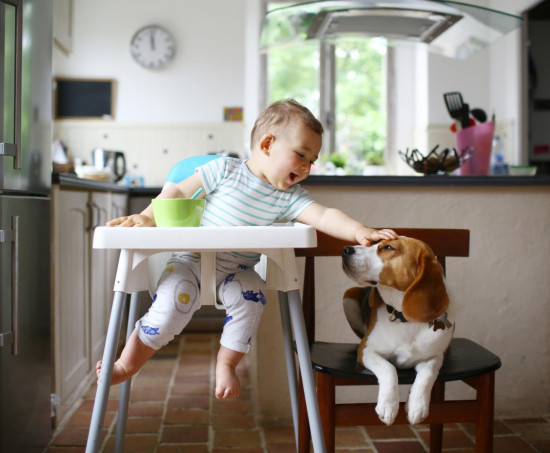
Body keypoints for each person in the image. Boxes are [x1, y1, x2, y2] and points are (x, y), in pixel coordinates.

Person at [98, 99, 397, 399]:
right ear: (267, 144)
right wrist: (148, 217)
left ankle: (227, 362)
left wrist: (361, 231)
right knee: (168, 309)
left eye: (312, 160)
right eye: (301, 155)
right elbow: (177, 191)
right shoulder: (223, 170)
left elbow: (323, 215)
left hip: (238, 272)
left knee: (252, 296)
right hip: (190, 262)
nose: (307, 167)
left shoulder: (288, 197)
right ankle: (126, 364)